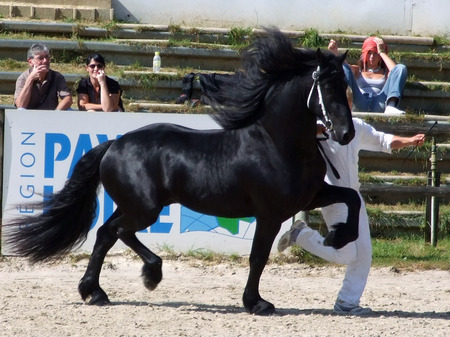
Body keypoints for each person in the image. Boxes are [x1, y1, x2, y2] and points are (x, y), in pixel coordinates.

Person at [278, 118, 425, 315]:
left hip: (355, 199)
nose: (342, 111)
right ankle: (302, 235)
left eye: (346, 106)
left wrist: (409, 140)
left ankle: (347, 302)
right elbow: (290, 132)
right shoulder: (318, 127)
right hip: (333, 199)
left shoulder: (356, 125)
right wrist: (311, 130)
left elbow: (381, 140)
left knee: (364, 254)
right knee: (346, 254)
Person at [328, 37, 407, 115]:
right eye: (369, 53)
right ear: (364, 54)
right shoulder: (358, 71)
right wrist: (335, 54)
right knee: (344, 68)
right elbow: (346, 67)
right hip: (360, 101)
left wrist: (382, 52)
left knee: (401, 67)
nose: (372, 57)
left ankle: (391, 106)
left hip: (379, 103)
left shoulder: (386, 72)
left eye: (375, 53)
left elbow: (397, 71)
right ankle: (343, 107)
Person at [14, 43, 73, 110]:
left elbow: (68, 99)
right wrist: (30, 79)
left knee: (69, 109)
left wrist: (56, 112)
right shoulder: (23, 78)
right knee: (20, 110)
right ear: (30, 62)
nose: (45, 61)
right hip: (30, 116)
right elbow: (20, 105)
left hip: (51, 115)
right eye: (40, 58)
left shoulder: (57, 77)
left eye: (47, 57)